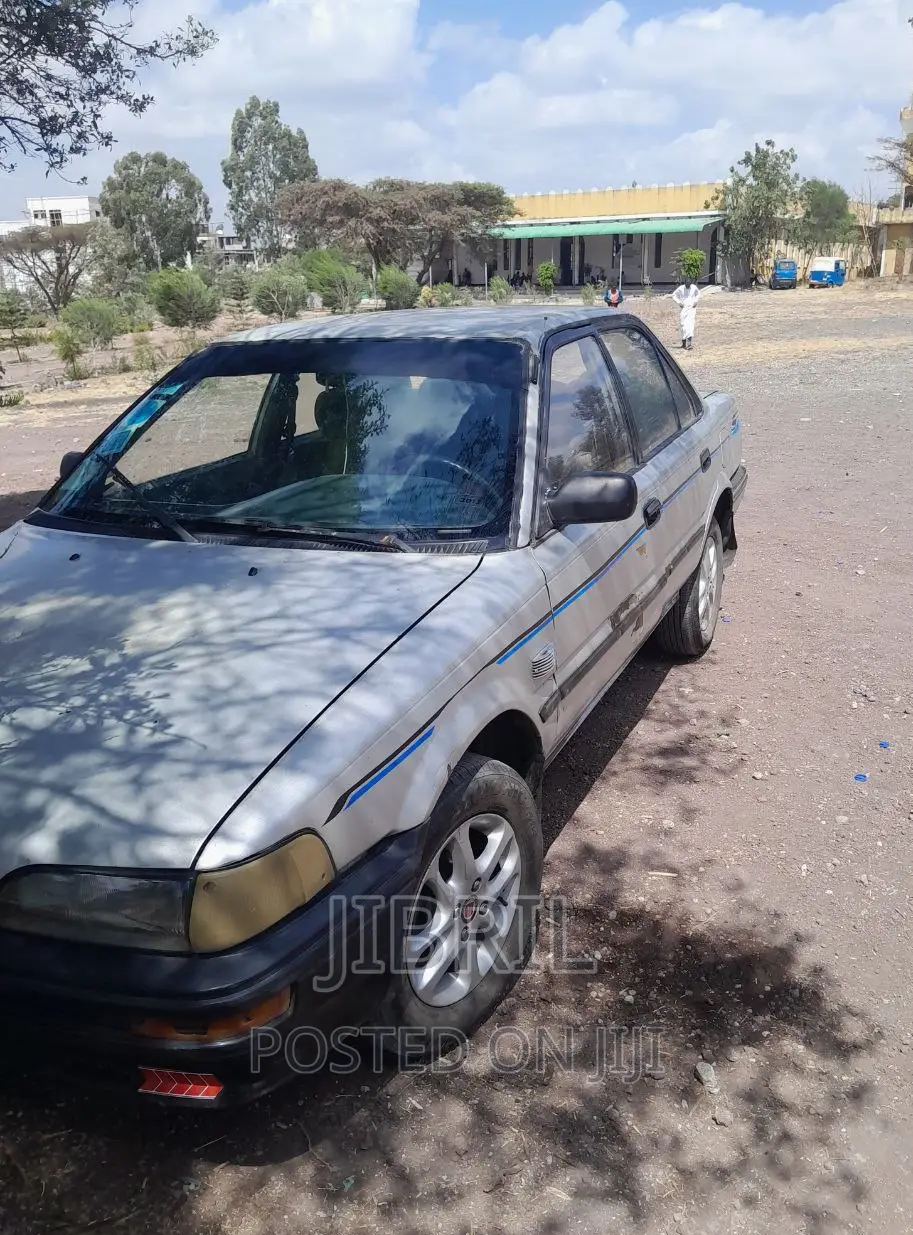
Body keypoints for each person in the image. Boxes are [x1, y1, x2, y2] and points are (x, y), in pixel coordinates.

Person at [671, 278, 700, 349]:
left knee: (690, 325)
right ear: (685, 284)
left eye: (689, 285)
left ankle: (689, 344)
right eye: (687, 285)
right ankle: (683, 343)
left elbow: (698, 294)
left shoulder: (694, 287)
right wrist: (679, 302)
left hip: (692, 309)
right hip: (683, 309)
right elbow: (673, 295)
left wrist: (696, 301)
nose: (688, 286)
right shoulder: (681, 288)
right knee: (683, 325)